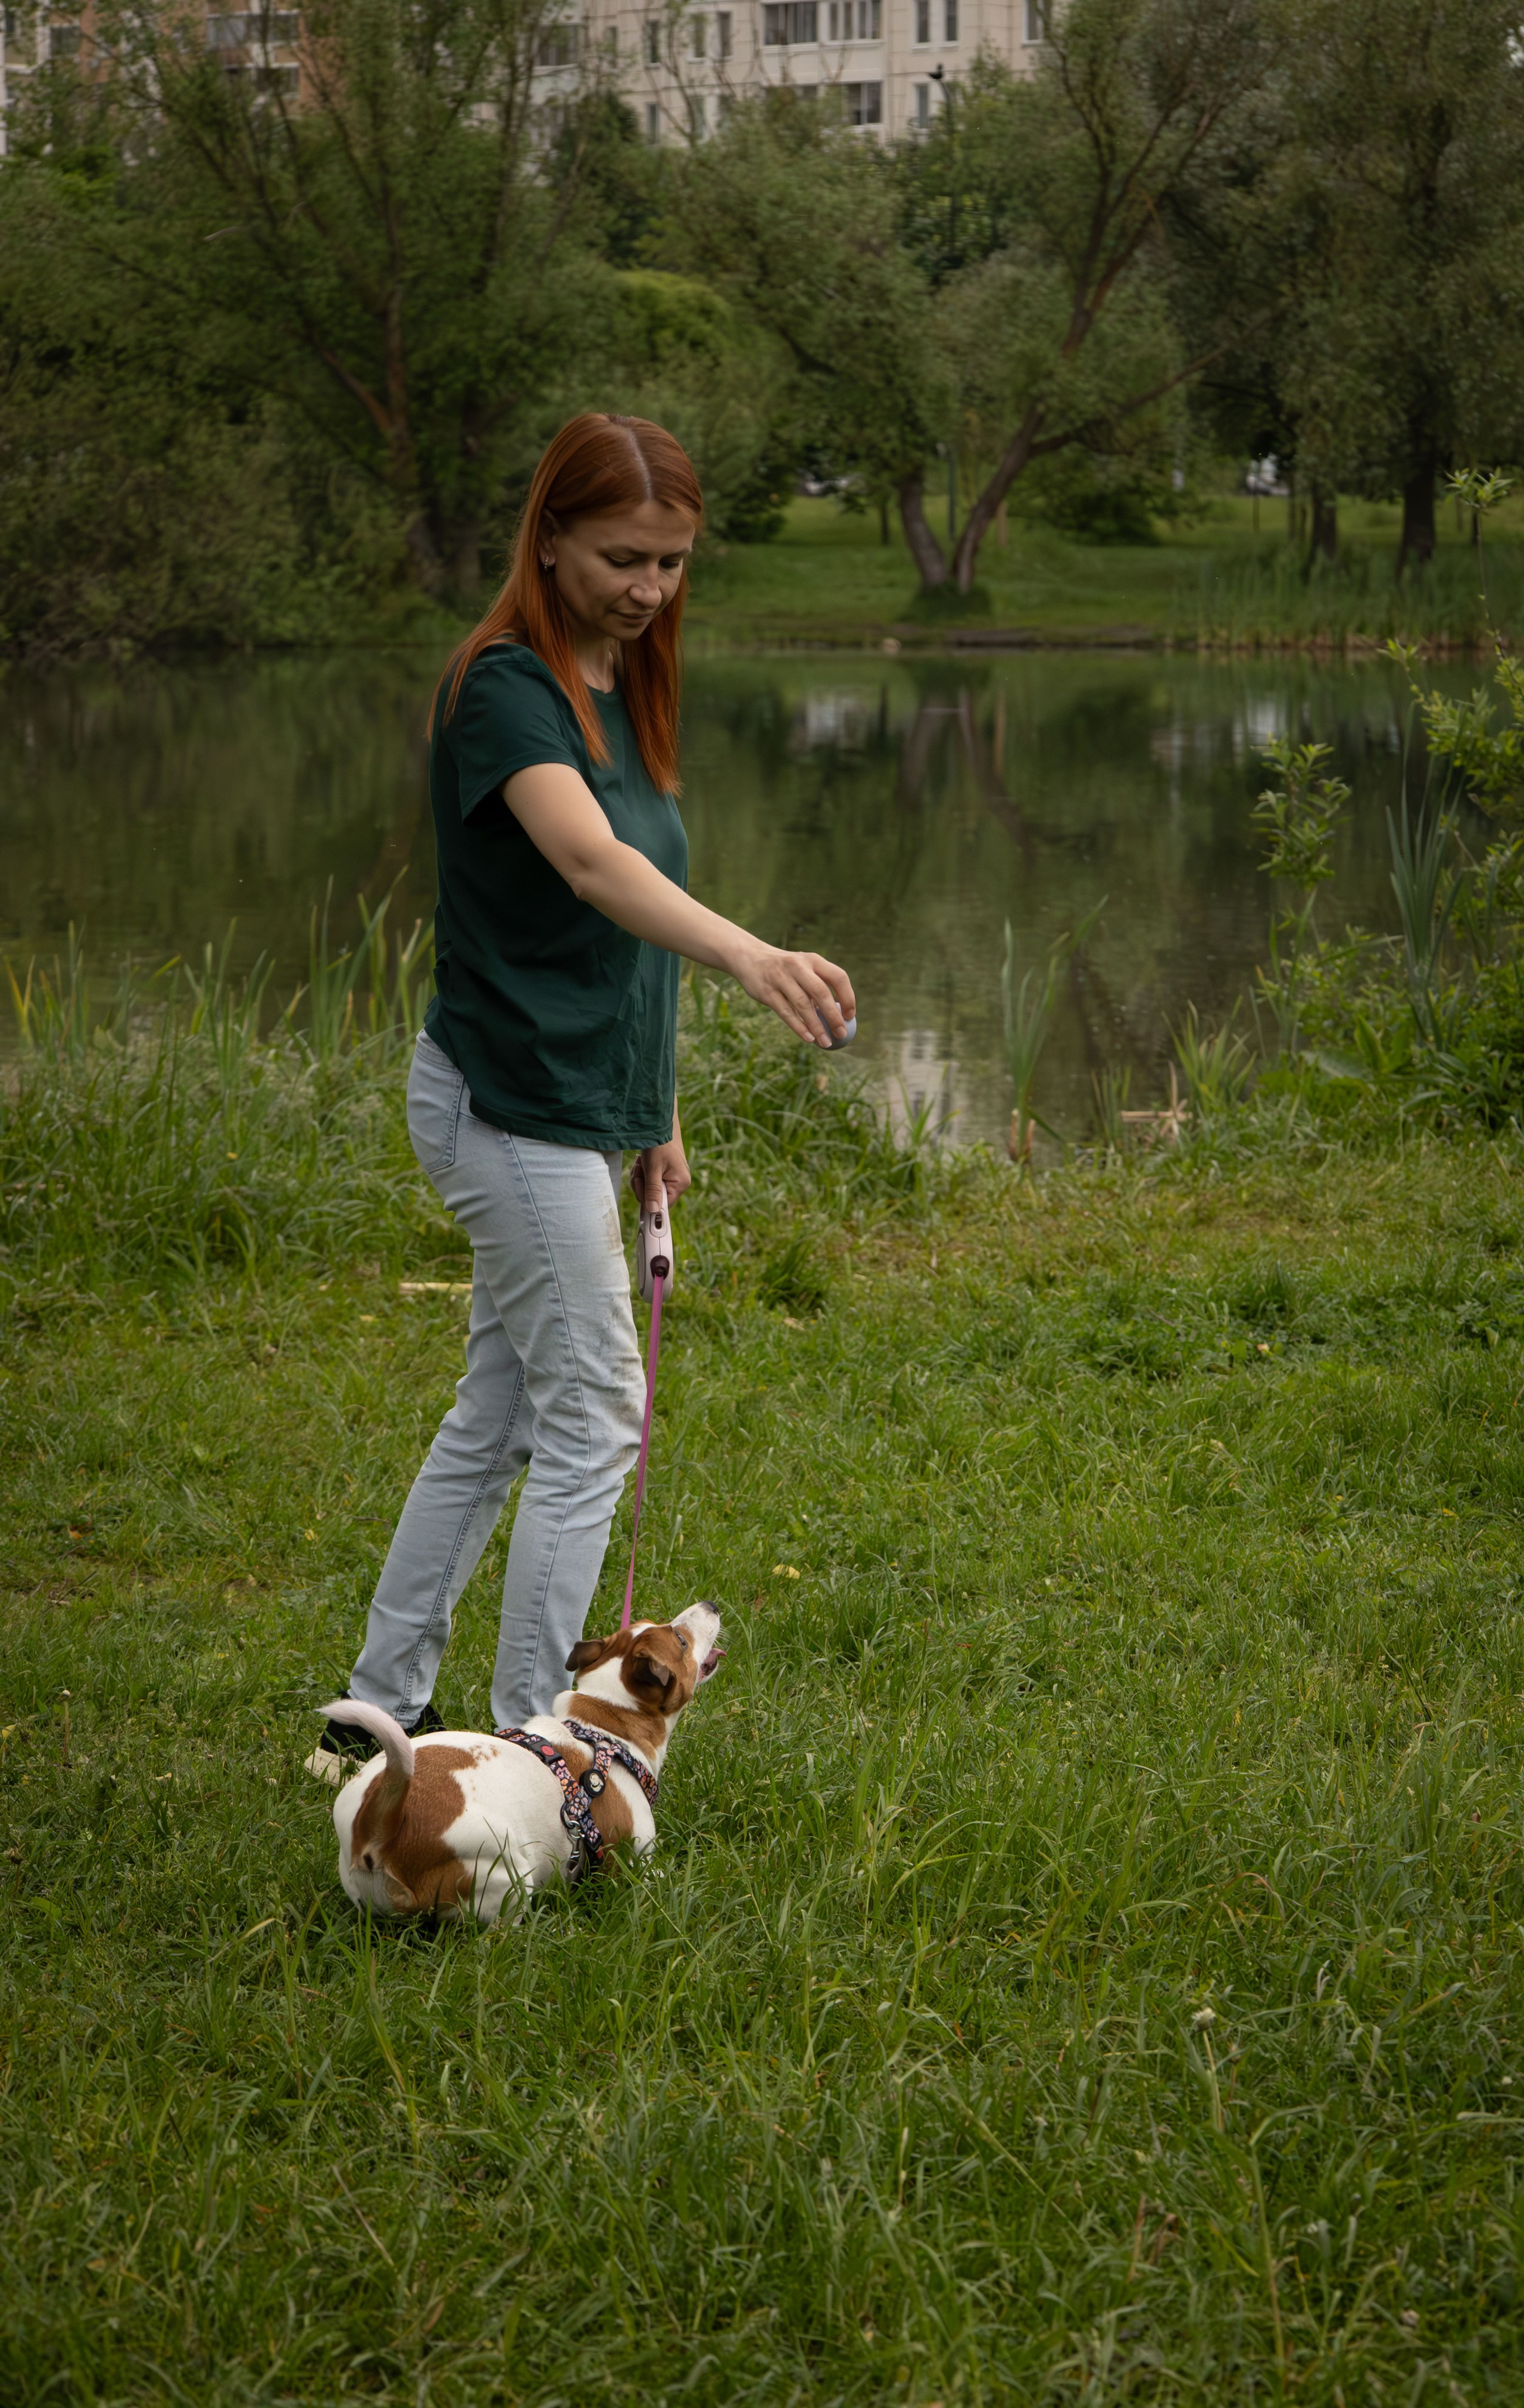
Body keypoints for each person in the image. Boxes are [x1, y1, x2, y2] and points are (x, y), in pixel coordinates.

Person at [307, 412, 855, 1778]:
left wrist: (652, 1112)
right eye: (621, 557)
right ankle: (537, 1749)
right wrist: (750, 953)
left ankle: (374, 1716)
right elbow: (596, 869)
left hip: (575, 1106)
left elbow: (619, 951)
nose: (649, 588)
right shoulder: (505, 687)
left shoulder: (620, 677)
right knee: (593, 1414)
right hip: (504, 1108)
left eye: (671, 563)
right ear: (546, 536)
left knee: (499, 1411)